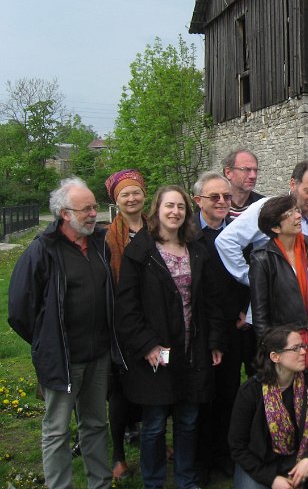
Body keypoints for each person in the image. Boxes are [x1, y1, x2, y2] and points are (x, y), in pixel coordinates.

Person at [8, 177, 120, 489]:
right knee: (57, 430)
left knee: (96, 424)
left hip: (98, 356)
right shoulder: (42, 251)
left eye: (94, 207)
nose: (93, 214)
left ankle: (99, 482)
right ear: (64, 214)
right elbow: (19, 310)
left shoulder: (99, 245)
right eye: (85, 209)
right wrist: (47, 341)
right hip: (63, 358)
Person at [115, 185, 226, 489]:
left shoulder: (198, 249)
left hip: (193, 350)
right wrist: (147, 344)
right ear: (157, 210)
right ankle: (153, 482)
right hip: (158, 351)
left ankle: (186, 479)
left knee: (188, 420)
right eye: (169, 206)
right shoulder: (140, 252)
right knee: (153, 424)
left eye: (180, 207)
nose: (175, 212)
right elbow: (127, 306)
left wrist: (215, 341)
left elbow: (212, 301)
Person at [249, 194, 308, 405]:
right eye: (289, 214)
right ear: (275, 228)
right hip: (289, 340)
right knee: (296, 394)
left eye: (296, 211)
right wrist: (270, 348)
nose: (297, 216)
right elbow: (260, 311)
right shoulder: (262, 258)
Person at [228, 326, 308, 489]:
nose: (304, 352)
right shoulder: (250, 392)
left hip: (299, 458)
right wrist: (271, 479)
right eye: (296, 348)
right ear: (275, 357)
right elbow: (237, 446)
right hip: (261, 463)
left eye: (303, 346)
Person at [192, 172, 246, 481]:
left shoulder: (237, 233)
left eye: (226, 196)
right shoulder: (188, 236)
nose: (223, 202)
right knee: (201, 396)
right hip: (198, 330)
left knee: (229, 393)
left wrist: (244, 309)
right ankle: (200, 461)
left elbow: (249, 272)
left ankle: (224, 456)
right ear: (198, 201)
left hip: (231, 326)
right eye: (215, 197)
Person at [216, 159, 308, 288]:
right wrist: (253, 279)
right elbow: (225, 241)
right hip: (277, 300)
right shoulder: (267, 208)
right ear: (293, 184)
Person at [104, 169, 148, 481]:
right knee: (120, 391)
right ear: (116, 201)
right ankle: (118, 454)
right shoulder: (108, 239)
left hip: (155, 320)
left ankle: (151, 441)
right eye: (124, 194)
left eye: (135, 192)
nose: (131, 198)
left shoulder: (157, 228)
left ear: (144, 195)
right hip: (121, 324)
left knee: (156, 384)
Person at [223, 149, 264, 218]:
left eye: (255, 170)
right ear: (228, 173)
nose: (253, 176)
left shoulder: (263, 206)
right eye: (246, 169)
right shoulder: (212, 206)